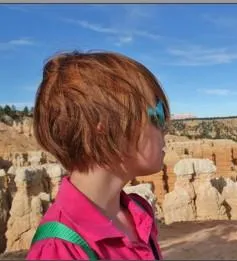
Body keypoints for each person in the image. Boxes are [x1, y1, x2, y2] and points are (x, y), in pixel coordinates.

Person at [26, 50, 170, 260]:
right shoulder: (60, 250)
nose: (165, 128)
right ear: (102, 123)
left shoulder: (139, 212)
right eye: (156, 115)